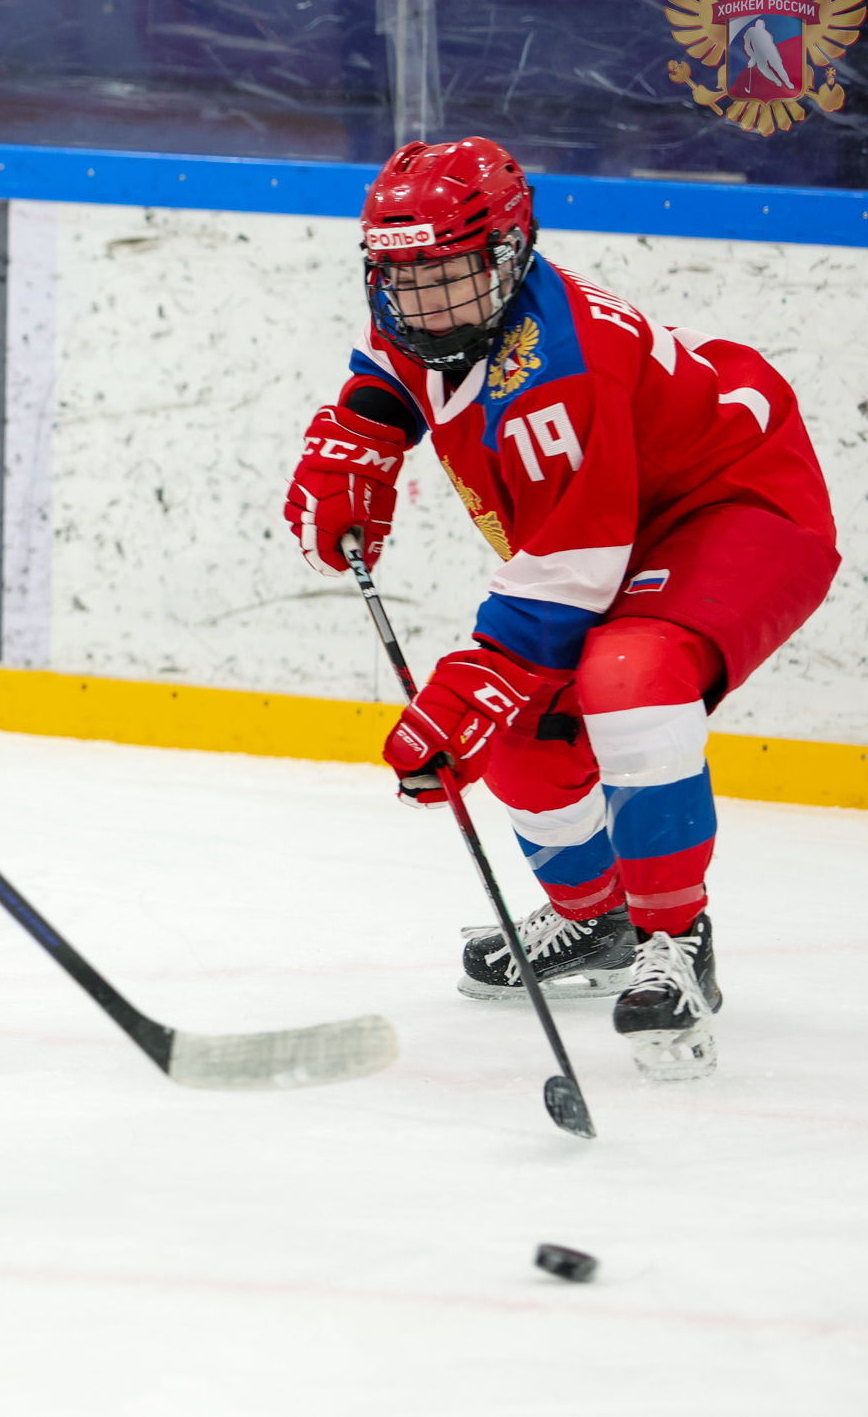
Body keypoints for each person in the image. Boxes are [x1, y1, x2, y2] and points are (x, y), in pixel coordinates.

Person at [283, 137, 838, 1081]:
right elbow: (396, 368)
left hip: (736, 506)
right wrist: (359, 438)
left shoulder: (561, 370)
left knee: (625, 674)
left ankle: (676, 942)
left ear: (511, 255)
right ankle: (596, 922)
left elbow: (570, 576)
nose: (428, 304)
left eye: (451, 278)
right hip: (618, 518)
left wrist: (467, 688)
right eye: (406, 280)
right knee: (522, 730)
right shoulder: (433, 302)